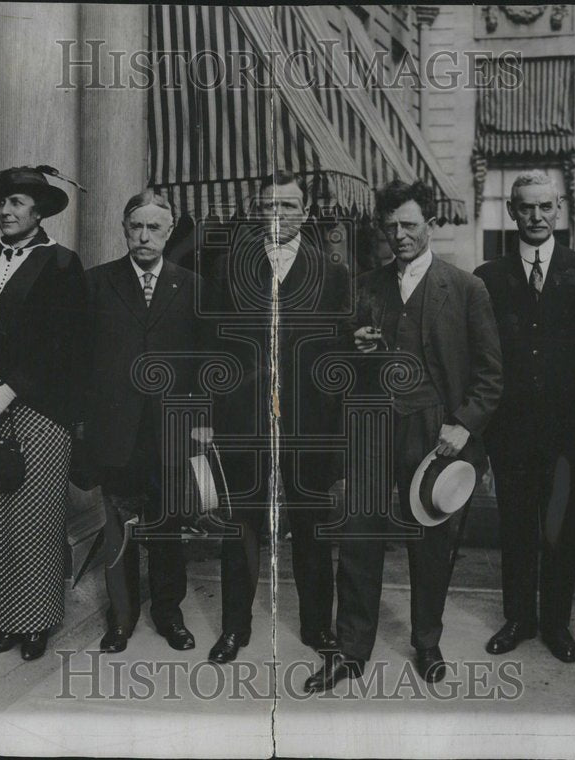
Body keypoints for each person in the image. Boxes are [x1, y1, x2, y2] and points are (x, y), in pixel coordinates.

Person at [304, 179, 503, 693]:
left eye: (410, 224)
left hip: (434, 427)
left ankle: (428, 642)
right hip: (371, 424)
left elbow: (490, 374)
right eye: (391, 226)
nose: (400, 235)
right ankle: (351, 650)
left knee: (432, 538)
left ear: (429, 225)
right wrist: (355, 347)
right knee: (359, 535)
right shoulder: (366, 285)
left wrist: (464, 424)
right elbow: (338, 365)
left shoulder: (464, 288)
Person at [207, 171, 350, 663]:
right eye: (269, 206)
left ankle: (317, 628)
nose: (279, 215)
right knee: (240, 524)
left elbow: (340, 358)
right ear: (254, 211)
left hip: (308, 424)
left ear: (306, 213)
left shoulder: (332, 272)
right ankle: (233, 629)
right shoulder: (228, 267)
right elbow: (214, 350)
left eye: (289, 206)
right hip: (243, 423)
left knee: (311, 525)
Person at [0, 166, 86, 662]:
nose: (6, 211)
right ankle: (0, 620)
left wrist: (9, 391)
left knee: (34, 516)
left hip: (37, 410)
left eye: (18, 203)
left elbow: (65, 348)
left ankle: (35, 622)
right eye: (2, 203)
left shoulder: (63, 264)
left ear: (40, 210)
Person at [474, 170, 575, 664]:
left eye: (545, 207)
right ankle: (518, 620)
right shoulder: (488, 278)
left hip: (569, 436)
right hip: (510, 434)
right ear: (511, 211)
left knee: (561, 529)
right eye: (526, 207)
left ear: (559, 210)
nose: (536, 216)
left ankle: (556, 625)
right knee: (516, 528)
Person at [83, 189, 214, 654]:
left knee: (167, 528)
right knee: (117, 530)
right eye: (136, 226)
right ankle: (121, 618)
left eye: (154, 227)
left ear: (169, 231)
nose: (144, 236)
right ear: (124, 228)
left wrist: (200, 422)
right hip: (116, 431)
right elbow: (83, 362)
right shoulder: (97, 283)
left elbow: (205, 362)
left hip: (171, 429)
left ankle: (169, 614)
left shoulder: (192, 285)